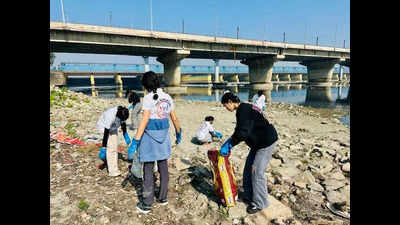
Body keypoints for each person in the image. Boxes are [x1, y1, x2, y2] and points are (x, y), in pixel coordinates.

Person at [126, 71, 182, 214]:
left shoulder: (147, 98)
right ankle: (163, 198)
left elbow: (144, 120)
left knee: (148, 169)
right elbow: (174, 118)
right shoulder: (167, 97)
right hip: (163, 137)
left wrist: (135, 141)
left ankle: (147, 203)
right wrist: (178, 132)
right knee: (163, 167)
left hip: (149, 138)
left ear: (145, 85)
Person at [219, 91, 278, 214]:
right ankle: (249, 195)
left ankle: (260, 203)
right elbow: (240, 129)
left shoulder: (243, 109)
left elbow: (243, 132)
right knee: (247, 170)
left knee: (256, 172)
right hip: (257, 143)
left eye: (225, 105)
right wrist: (230, 140)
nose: (225, 108)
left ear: (230, 102)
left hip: (265, 142)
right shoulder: (243, 109)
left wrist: (230, 144)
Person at [97, 106, 131, 177]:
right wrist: (103, 147)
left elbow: (123, 123)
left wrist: (125, 134)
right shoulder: (110, 115)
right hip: (104, 128)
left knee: (115, 147)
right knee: (110, 149)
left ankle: (113, 166)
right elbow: (106, 133)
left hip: (113, 128)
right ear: (118, 116)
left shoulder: (123, 112)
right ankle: (112, 171)